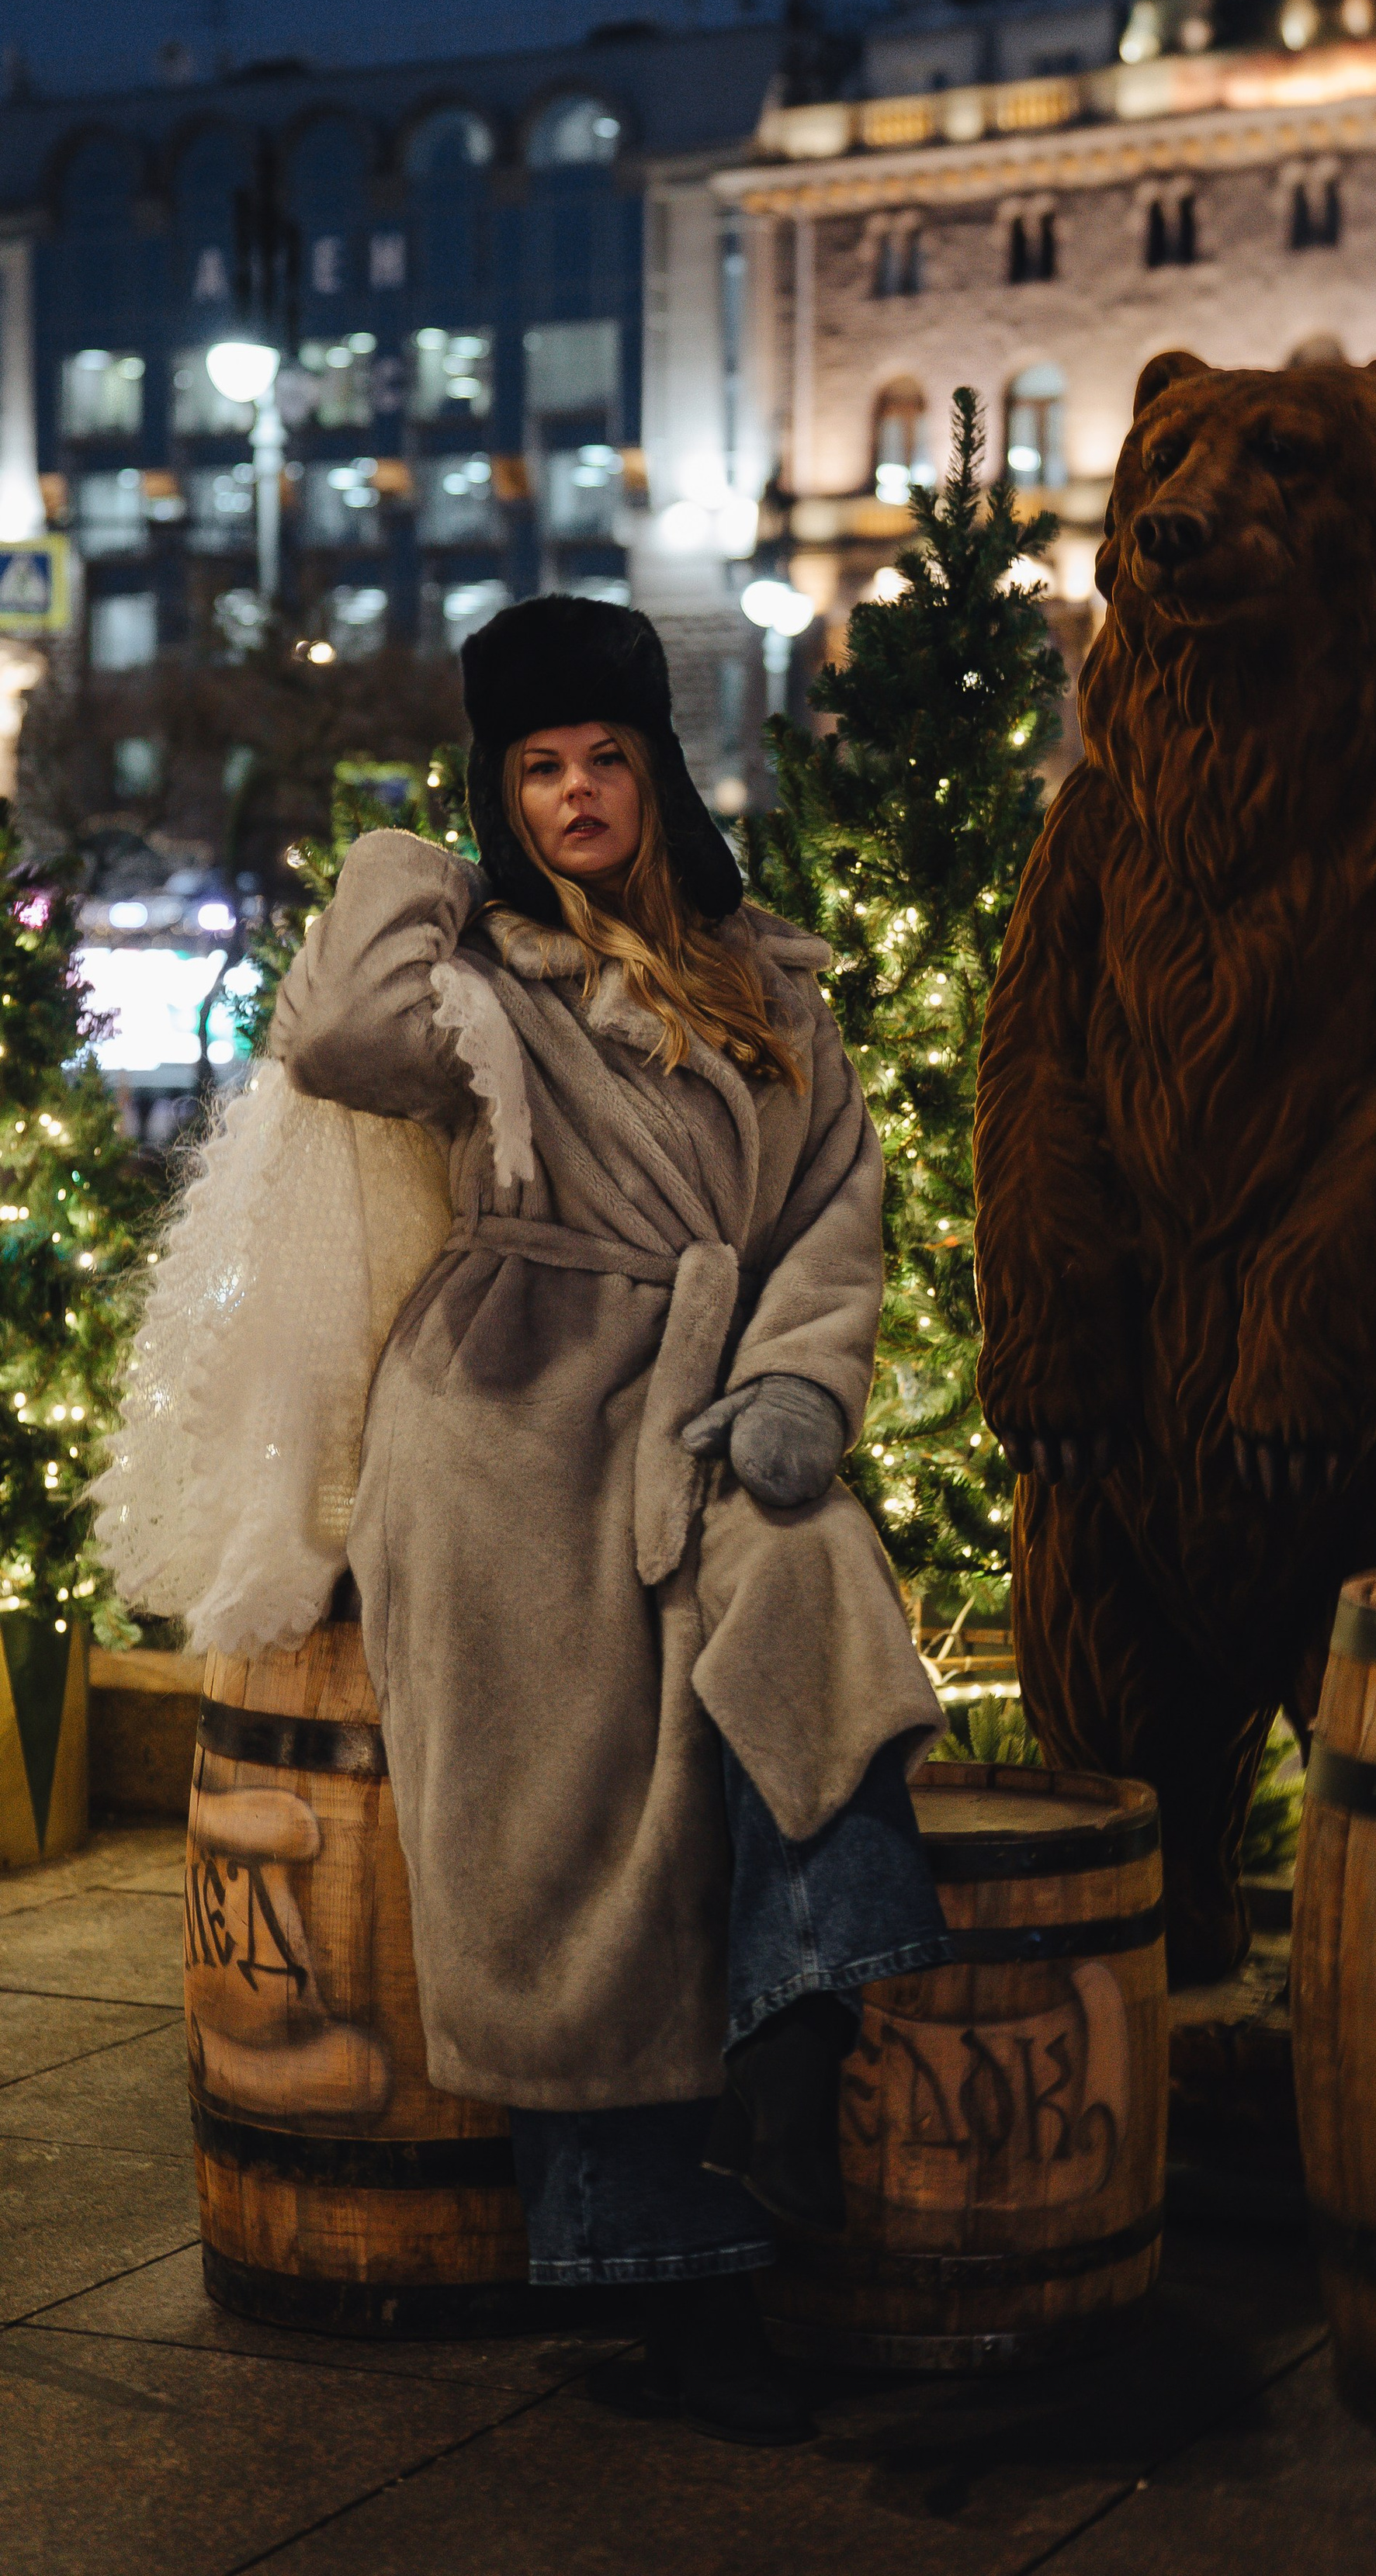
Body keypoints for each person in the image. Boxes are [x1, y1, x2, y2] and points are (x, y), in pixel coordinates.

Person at [266, 597, 949, 2445]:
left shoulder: (770, 979)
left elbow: (833, 1213)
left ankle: (800, 2024)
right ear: (507, 792)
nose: (574, 796)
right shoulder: (476, 990)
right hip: (506, 1430)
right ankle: (673, 2308)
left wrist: (805, 1385)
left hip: (712, 1404)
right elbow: (329, 1036)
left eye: (604, 761)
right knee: (583, 1857)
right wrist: (412, 846)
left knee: (814, 1577)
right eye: (538, 769)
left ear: (657, 776)